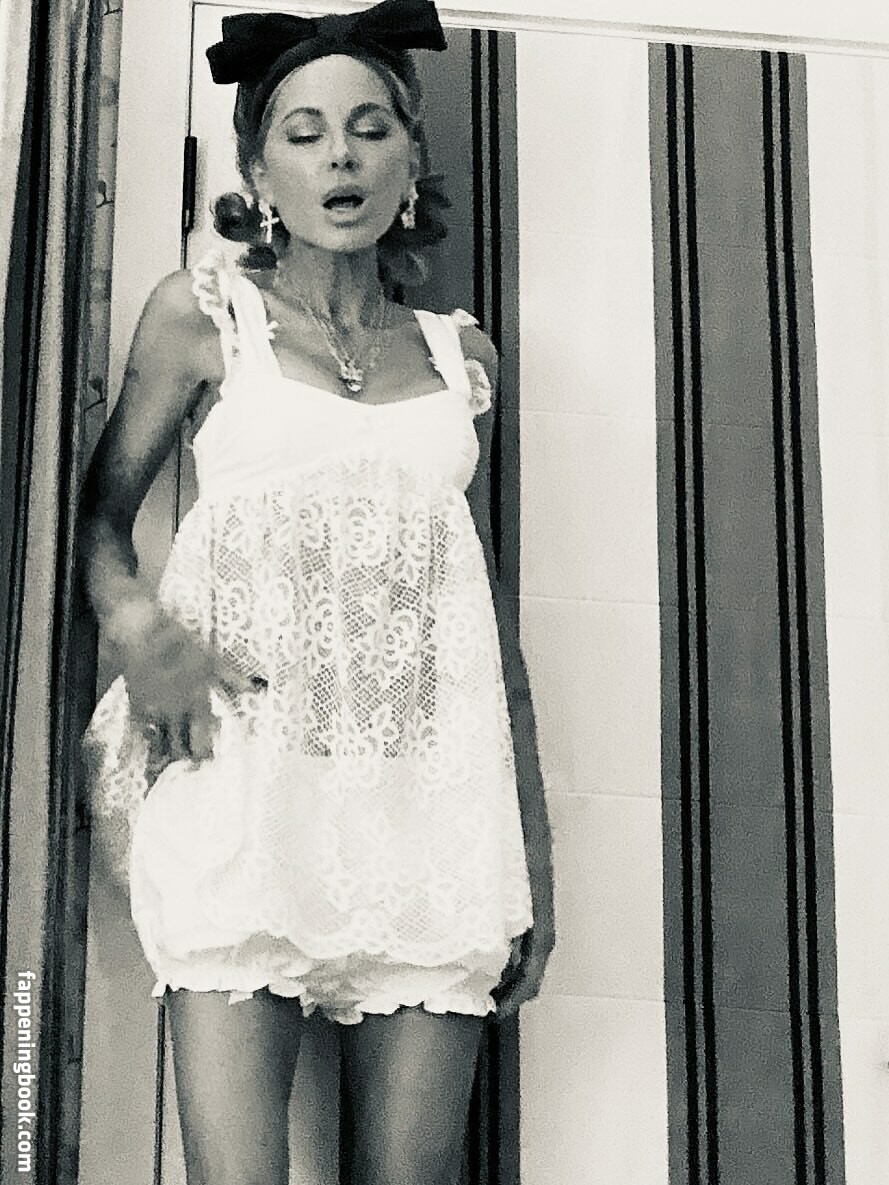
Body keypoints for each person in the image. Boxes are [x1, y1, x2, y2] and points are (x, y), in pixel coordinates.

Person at [78, 2, 555, 1182]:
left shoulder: (463, 360)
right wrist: (137, 624)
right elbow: (100, 517)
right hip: (245, 784)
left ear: (409, 158)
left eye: (368, 128)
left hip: (432, 809)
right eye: (303, 133)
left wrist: (527, 855)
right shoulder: (204, 316)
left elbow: (478, 620)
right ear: (259, 171)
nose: (340, 156)